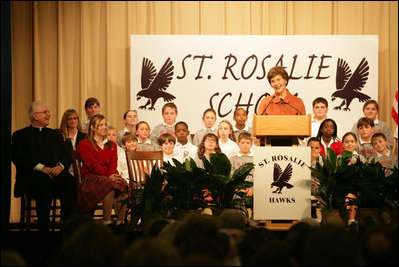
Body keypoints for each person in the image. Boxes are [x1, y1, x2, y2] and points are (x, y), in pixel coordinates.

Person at [11, 101, 78, 231]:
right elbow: (19, 158)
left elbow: (66, 155)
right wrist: (42, 168)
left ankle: (69, 223)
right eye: (45, 112)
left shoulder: (55, 135)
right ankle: (43, 226)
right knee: (43, 180)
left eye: (48, 112)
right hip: (32, 176)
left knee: (70, 181)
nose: (49, 114)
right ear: (35, 116)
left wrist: (60, 166)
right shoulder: (20, 135)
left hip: (55, 174)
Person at [77, 114, 128, 226]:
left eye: (105, 124)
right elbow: (92, 165)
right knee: (109, 185)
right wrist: (108, 176)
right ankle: (107, 221)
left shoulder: (112, 145)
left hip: (107, 177)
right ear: (92, 127)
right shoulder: (84, 144)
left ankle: (120, 222)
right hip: (90, 178)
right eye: (101, 125)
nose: (105, 127)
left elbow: (113, 165)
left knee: (123, 184)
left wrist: (113, 175)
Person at [230, 132, 254, 197]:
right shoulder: (233, 159)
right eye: (243, 143)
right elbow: (231, 177)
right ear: (238, 144)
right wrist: (239, 189)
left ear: (251, 144)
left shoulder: (255, 159)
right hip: (237, 191)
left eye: (248, 143)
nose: (245, 145)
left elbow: (258, 177)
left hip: (252, 191)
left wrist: (252, 189)